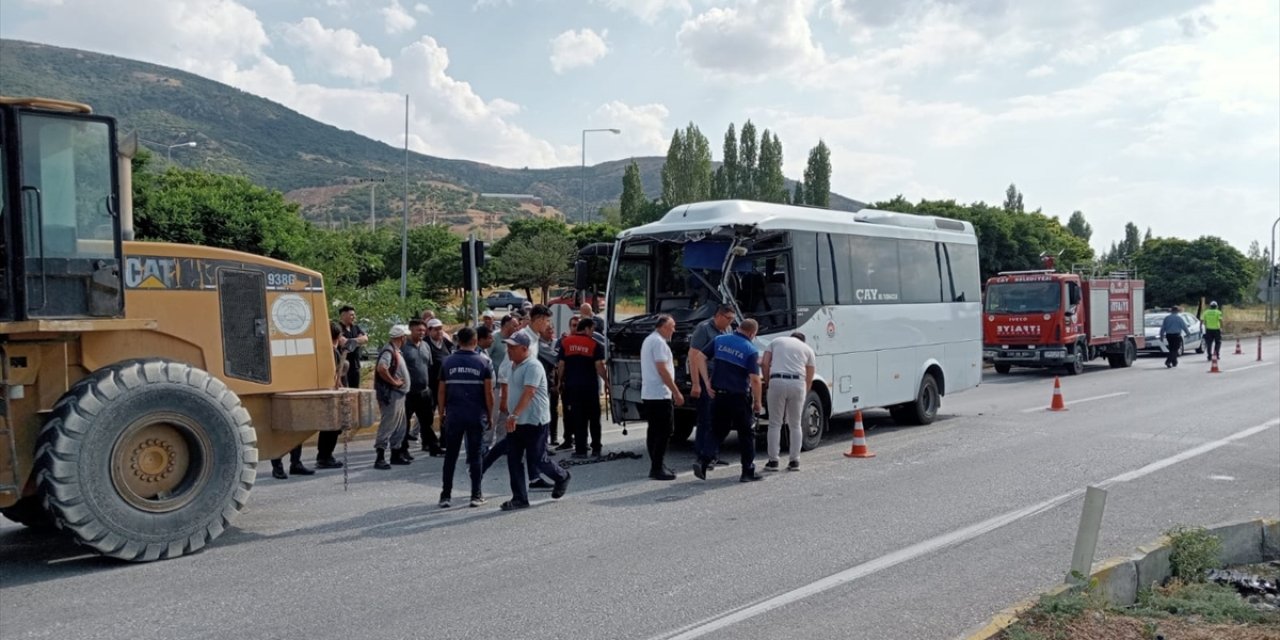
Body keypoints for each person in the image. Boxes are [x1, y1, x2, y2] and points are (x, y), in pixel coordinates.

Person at [501, 331, 571, 511]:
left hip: (533, 421)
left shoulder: (533, 366)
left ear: (524, 349)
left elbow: (529, 392)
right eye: (508, 346)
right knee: (514, 460)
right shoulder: (512, 365)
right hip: (516, 422)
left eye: (512, 347)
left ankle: (561, 476)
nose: (508, 350)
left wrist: (514, 414)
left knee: (537, 459)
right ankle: (519, 498)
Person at [694, 318, 764, 483]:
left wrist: (706, 381)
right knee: (746, 433)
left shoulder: (720, 340)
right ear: (752, 333)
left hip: (718, 395)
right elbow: (755, 379)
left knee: (717, 430)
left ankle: (703, 461)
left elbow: (698, 357)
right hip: (738, 397)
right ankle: (747, 472)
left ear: (738, 327)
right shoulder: (750, 349)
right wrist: (758, 402)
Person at [436, 327, 494, 509]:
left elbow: (441, 391)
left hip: (454, 415)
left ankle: (445, 495)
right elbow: (488, 393)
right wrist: (490, 415)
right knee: (475, 455)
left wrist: (441, 412)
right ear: (475, 341)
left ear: (458, 341)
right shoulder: (484, 362)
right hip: (476, 415)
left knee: (451, 456)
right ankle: (476, 495)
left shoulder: (447, 362)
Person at [760, 331, 815, 472]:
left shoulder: (777, 341)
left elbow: (765, 363)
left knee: (774, 423)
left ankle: (773, 461)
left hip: (777, 380)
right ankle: (794, 461)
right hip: (798, 383)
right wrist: (805, 391)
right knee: (795, 424)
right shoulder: (808, 349)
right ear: (803, 341)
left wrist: (768, 382)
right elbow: (809, 376)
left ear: (791, 338)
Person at [689, 304, 736, 467]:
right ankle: (702, 455)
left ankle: (713, 454)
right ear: (719, 316)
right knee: (706, 418)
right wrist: (696, 384)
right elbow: (694, 356)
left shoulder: (727, 329)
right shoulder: (703, 329)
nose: (731, 322)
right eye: (729, 319)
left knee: (718, 418)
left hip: (720, 378)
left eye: (733, 319)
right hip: (705, 377)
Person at [640, 314, 684, 481]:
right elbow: (662, 369)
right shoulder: (659, 343)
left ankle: (657, 465)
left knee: (654, 430)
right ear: (664, 327)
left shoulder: (649, 340)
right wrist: (676, 391)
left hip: (649, 393)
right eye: (672, 326)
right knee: (664, 432)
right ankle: (657, 467)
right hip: (659, 393)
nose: (674, 330)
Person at [559, 317, 609, 459]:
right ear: (586, 328)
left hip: (573, 387)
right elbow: (599, 366)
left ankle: (580, 450)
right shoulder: (594, 345)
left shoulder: (566, 342)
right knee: (594, 419)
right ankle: (596, 448)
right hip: (590, 388)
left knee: (578, 419)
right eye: (592, 329)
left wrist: (560, 382)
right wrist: (606, 382)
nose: (593, 333)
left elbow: (561, 365)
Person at [324, 305, 366, 469]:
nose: (353, 318)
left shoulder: (333, 351)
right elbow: (337, 377)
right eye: (350, 315)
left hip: (338, 389)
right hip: (334, 394)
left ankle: (325, 456)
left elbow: (362, 339)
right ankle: (325, 456)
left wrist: (353, 341)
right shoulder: (333, 354)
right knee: (333, 425)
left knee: (334, 426)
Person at [373, 324, 413, 469]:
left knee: (400, 426)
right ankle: (380, 457)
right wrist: (394, 382)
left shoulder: (395, 350)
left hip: (399, 394)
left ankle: (395, 455)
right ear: (401, 338)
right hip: (392, 395)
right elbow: (382, 368)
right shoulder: (389, 351)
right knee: (388, 425)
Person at [401, 319, 441, 457]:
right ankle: (402, 450)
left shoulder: (425, 346)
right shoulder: (403, 347)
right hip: (408, 393)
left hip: (424, 391)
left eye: (424, 330)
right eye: (419, 330)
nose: (422, 333)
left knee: (427, 422)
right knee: (404, 423)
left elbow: (428, 366)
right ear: (411, 330)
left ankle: (432, 447)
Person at [422, 318, 454, 454]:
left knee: (445, 413)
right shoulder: (425, 344)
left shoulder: (445, 342)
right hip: (431, 385)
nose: (439, 331)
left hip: (445, 384)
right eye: (436, 329)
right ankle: (428, 442)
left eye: (440, 328)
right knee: (428, 415)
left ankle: (444, 440)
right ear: (429, 331)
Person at [537, 323, 563, 447]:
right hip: (542, 382)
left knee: (553, 410)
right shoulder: (538, 345)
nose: (551, 331)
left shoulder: (556, 342)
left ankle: (554, 436)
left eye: (552, 329)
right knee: (543, 412)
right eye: (548, 329)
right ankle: (544, 441)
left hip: (554, 380)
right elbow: (555, 358)